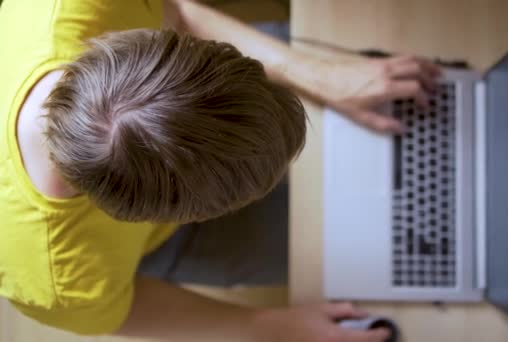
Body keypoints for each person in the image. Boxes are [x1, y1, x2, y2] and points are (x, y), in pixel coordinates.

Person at [0, 0, 441, 340]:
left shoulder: (80, 7)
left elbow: (179, 10)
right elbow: (123, 307)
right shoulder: (55, 279)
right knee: (358, 256)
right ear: (167, 213)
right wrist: (268, 326)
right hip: (136, 252)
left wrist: (320, 76)